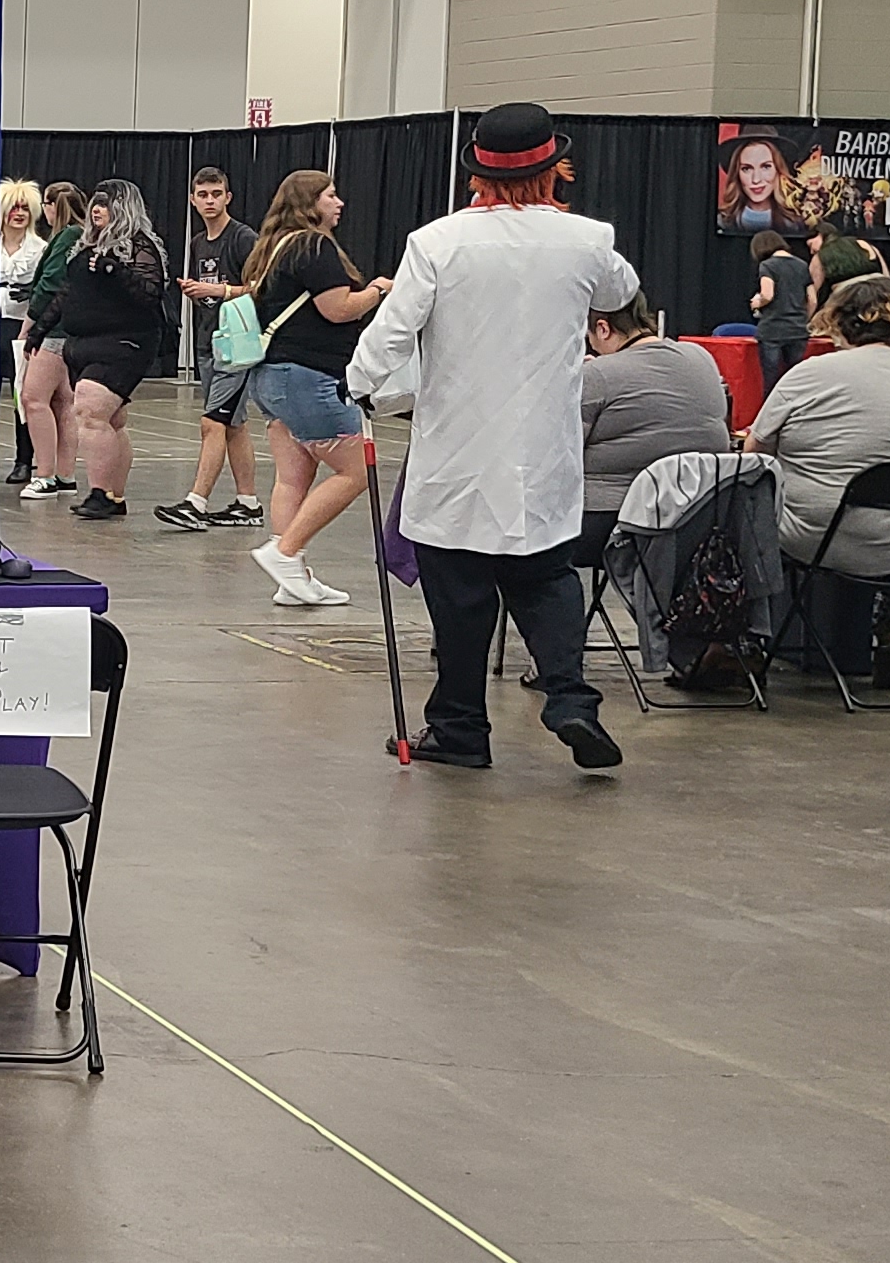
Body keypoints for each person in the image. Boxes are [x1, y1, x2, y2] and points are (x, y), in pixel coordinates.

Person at [346, 103, 639, 771]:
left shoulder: (439, 241)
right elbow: (622, 290)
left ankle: (461, 729)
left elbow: (392, 331)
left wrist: (360, 381)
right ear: (552, 168)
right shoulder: (586, 238)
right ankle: (571, 699)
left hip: (459, 454)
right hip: (542, 453)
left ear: (477, 171)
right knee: (547, 581)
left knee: (461, 600)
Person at [751, 273, 890, 665]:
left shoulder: (808, 374)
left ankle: (740, 644)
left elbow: (756, 450)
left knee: (740, 502)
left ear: (839, 321)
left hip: (826, 540)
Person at [235, 168, 389, 608]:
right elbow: (338, 309)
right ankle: (284, 553)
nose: (339, 203)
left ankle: (292, 576)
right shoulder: (314, 246)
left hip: (272, 377)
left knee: (292, 477)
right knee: (356, 469)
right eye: (330, 196)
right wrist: (378, 291)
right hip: (308, 377)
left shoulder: (271, 249)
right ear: (309, 204)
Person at [40, 180, 171, 525]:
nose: (97, 210)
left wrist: (116, 270)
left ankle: (99, 494)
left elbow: (151, 293)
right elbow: (68, 292)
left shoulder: (140, 246)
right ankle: (114, 495)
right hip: (84, 341)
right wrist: (40, 329)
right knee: (112, 420)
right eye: (95, 203)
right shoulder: (85, 247)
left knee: (89, 409)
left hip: (126, 341)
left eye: (106, 204)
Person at [579, 296, 735, 559]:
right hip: (698, 515)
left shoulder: (597, 376)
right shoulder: (701, 356)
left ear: (603, 329)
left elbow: (561, 456)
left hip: (612, 521)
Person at [159, 163, 264, 531]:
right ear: (192, 200)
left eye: (216, 194)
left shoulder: (242, 238)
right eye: (202, 195)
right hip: (209, 341)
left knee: (213, 422)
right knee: (234, 425)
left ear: (228, 197)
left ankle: (196, 501)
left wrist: (219, 290)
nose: (209, 201)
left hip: (236, 345)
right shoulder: (198, 242)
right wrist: (196, 292)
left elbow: (260, 286)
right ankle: (248, 502)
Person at [15, 181, 81, 499]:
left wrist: (29, 325)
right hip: (74, 330)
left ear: (52, 207)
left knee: (33, 398)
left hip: (54, 331)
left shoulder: (65, 237)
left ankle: (45, 474)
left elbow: (49, 285)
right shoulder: (82, 236)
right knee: (63, 401)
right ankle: (66, 474)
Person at [0, 179, 44, 481]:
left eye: (25, 208)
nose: (19, 213)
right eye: (14, 207)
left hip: (22, 328)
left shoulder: (41, 249)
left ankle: (24, 460)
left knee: (21, 397)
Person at [749, 230, 813, 394]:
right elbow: (812, 299)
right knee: (795, 380)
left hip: (772, 330)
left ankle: (771, 416)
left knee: (771, 381)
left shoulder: (768, 265)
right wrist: (804, 320)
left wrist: (757, 303)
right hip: (798, 330)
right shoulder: (802, 265)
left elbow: (768, 295)